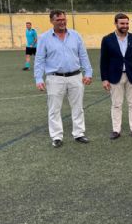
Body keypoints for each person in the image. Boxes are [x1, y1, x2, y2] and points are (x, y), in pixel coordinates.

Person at [34, 10, 93, 148]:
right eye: (58, 20)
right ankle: (56, 136)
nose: (62, 22)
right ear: (51, 21)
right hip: (54, 78)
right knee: (54, 108)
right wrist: (38, 78)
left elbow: (83, 55)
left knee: (78, 107)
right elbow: (39, 60)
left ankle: (79, 133)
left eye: (63, 19)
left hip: (75, 76)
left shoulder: (75, 35)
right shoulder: (44, 38)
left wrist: (88, 72)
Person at [100, 13, 132, 140]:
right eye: (122, 23)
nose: (125, 26)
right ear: (116, 24)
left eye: (126, 23)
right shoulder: (107, 39)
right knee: (116, 104)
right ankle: (116, 130)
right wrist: (104, 79)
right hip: (114, 76)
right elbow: (104, 61)